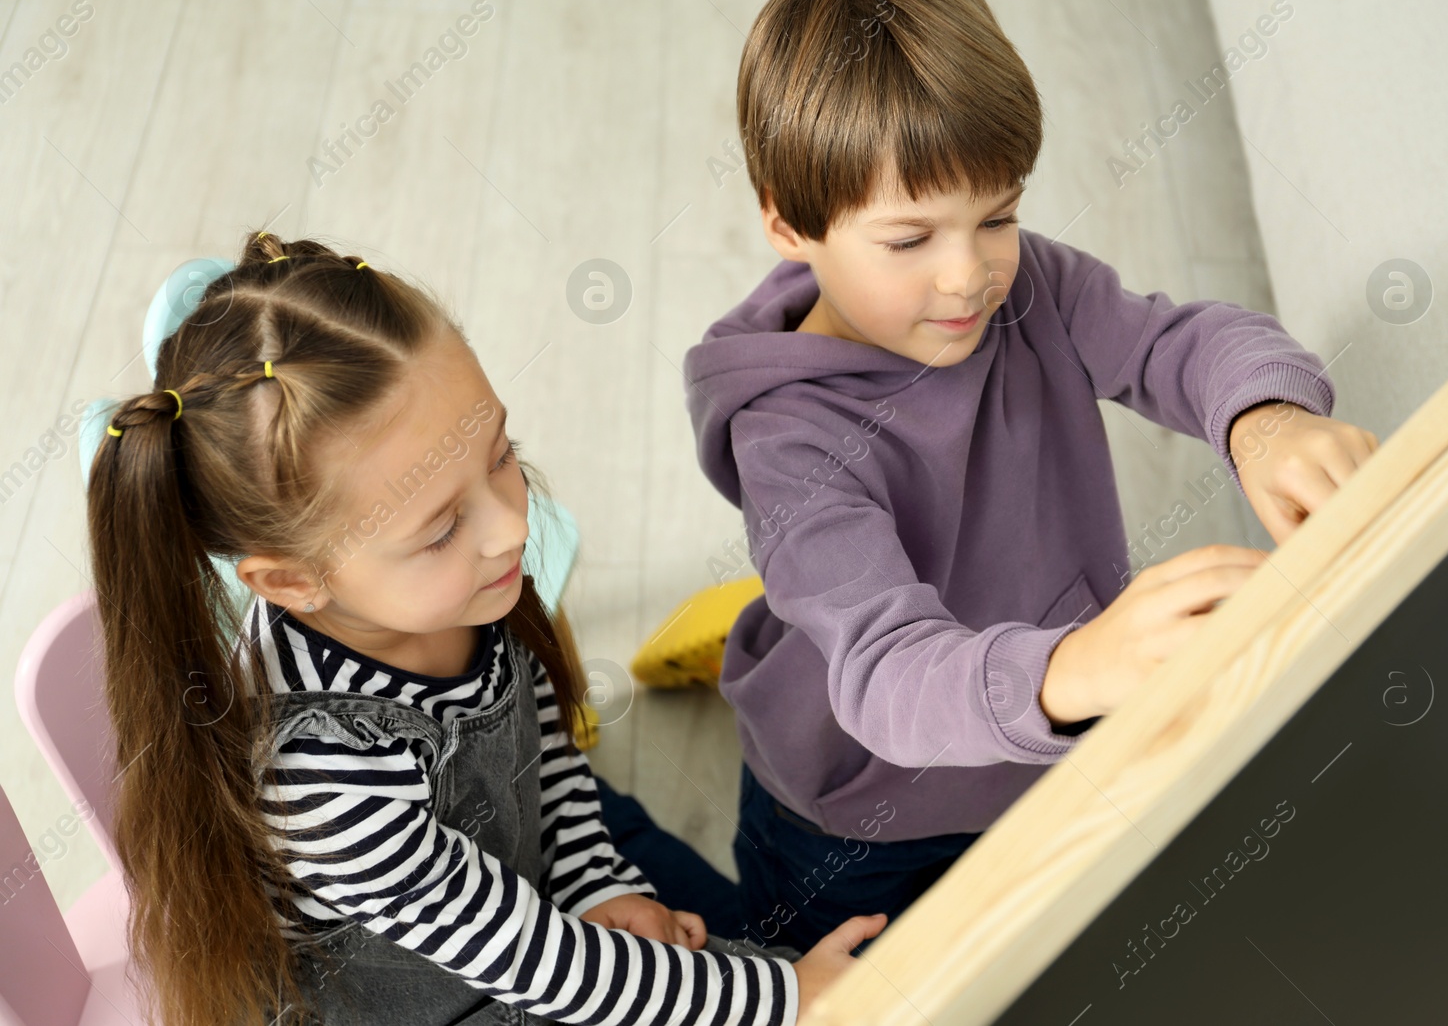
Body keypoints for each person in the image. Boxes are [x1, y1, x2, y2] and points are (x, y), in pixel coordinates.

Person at [652, 0, 1380, 952]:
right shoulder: (787, 437)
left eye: (996, 214)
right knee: (849, 979)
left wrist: (1264, 419)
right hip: (857, 814)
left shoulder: (1028, 283)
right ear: (788, 222)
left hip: (1050, 740)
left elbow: (1177, 343)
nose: (969, 273)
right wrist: (1077, 665)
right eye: (909, 238)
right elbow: (887, 677)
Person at [84, 232, 883, 1026]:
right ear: (293, 580)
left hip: (520, 909)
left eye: (501, 454)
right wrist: (783, 994)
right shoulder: (322, 777)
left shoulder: (451, 588)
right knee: (777, 983)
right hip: (463, 992)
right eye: (440, 527)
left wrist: (599, 882)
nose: (508, 527)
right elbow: (541, 963)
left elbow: (545, 752)